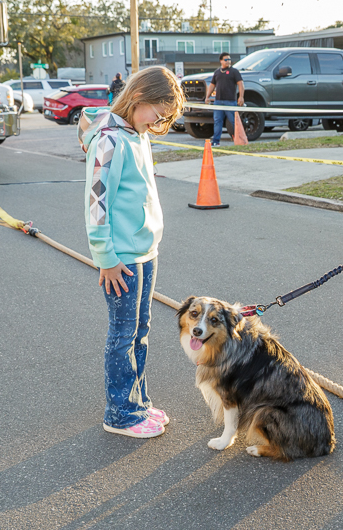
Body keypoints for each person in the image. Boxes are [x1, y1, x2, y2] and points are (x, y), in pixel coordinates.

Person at [79, 66, 185, 438]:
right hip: (120, 256)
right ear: (138, 99)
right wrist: (105, 258)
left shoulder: (137, 133)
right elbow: (97, 203)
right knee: (123, 334)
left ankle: (137, 403)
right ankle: (119, 413)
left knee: (141, 330)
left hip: (144, 250)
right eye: (156, 115)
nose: (157, 124)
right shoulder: (109, 139)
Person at [204, 52, 244, 147]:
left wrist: (241, 96)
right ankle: (216, 141)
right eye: (226, 59)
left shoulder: (234, 71)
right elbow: (212, 85)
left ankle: (240, 140)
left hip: (230, 101)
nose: (228, 61)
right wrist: (207, 96)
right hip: (218, 101)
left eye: (229, 59)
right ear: (221, 61)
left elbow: (240, 84)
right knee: (217, 121)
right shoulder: (217, 72)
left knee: (234, 122)